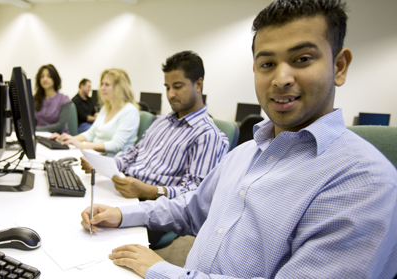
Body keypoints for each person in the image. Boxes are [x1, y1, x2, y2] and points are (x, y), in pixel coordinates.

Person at [81, 0, 397, 277]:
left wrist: (161, 271)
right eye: (267, 64)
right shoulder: (246, 153)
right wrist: (124, 214)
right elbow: (192, 209)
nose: (281, 78)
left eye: (302, 59)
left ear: (339, 67)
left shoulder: (364, 182)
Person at [81, 51, 229, 201]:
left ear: (198, 84)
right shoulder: (161, 122)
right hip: (126, 190)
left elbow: (196, 194)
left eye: (177, 87)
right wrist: (104, 165)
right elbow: (134, 153)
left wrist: (149, 191)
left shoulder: (208, 135)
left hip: (152, 204)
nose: (170, 94)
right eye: (167, 87)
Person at [51, 69, 140, 156]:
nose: (102, 88)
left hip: (112, 161)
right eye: (102, 84)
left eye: (107, 85)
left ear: (120, 88)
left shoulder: (130, 111)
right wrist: (69, 139)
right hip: (96, 155)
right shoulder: (106, 108)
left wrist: (82, 145)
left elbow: (116, 145)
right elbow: (91, 133)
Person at [34, 64, 71, 134]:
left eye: (49, 76)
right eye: (42, 76)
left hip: (59, 137)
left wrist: (34, 129)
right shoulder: (35, 99)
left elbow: (60, 126)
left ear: (55, 78)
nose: (45, 79)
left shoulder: (64, 100)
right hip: (39, 136)